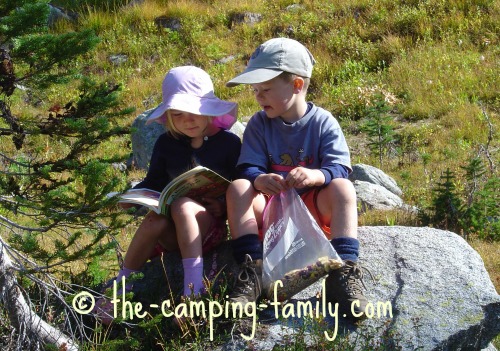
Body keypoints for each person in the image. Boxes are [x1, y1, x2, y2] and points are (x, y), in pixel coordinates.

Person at [224, 38, 369, 321]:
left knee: (343, 188)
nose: (259, 97)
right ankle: (251, 271)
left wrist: (316, 175)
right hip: (272, 217)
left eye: (266, 89)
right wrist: (259, 179)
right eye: (255, 91)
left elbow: (340, 167)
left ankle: (343, 272)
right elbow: (248, 168)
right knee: (238, 187)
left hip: (314, 213)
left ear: (297, 85)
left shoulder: (323, 121)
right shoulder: (258, 124)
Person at [94, 65, 241, 323]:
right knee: (154, 218)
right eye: (178, 114)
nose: (188, 120)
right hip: (172, 234)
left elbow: (238, 185)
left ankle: (194, 294)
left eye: (194, 111)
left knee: (183, 205)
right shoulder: (166, 143)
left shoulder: (228, 143)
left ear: (208, 109)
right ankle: (120, 289)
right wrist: (134, 197)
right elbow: (154, 181)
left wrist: (222, 206)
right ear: (169, 116)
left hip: (208, 229)